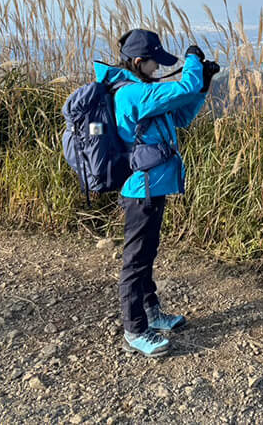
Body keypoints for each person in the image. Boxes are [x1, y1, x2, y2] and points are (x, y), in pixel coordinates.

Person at [93, 28, 219, 357]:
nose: (158, 69)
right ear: (138, 61)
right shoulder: (132, 95)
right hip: (141, 189)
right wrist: (193, 61)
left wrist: (203, 84)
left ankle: (152, 313)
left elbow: (182, 115)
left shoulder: (143, 90)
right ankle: (135, 330)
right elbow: (183, 86)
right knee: (135, 261)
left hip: (153, 184)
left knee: (147, 254)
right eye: (154, 64)